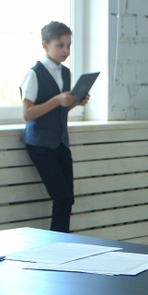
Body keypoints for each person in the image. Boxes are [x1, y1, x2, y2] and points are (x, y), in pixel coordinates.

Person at [20, 21, 89, 233]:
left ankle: (62, 243)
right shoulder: (34, 74)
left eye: (68, 45)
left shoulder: (66, 73)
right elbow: (27, 114)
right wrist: (57, 101)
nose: (66, 50)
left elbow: (58, 110)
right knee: (62, 196)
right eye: (60, 45)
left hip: (60, 142)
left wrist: (74, 103)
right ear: (45, 45)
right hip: (40, 144)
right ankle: (56, 245)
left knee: (67, 199)